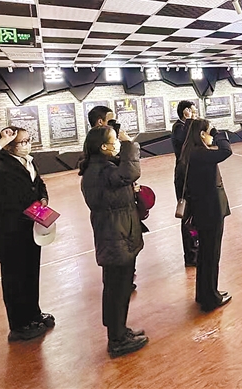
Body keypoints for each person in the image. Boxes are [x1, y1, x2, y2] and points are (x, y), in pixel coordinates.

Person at [0, 126, 55, 342]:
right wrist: (1, 141)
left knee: (31, 273)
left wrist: (43, 198)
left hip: (31, 226)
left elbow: (38, 183)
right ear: (9, 146)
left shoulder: (29, 161)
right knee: (15, 279)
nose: (27, 145)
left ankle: (33, 314)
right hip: (12, 230)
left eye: (29, 140)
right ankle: (19, 325)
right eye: (22, 142)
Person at [79, 126, 148, 358]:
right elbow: (130, 172)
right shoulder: (101, 171)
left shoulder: (102, 168)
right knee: (117, 288)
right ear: (103, 147)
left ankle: (119, 330)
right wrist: (129, 144)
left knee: (119, 286)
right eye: (114, 140)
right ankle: (117, 339)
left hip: (118, 232)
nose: (117, 143)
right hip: (115, 235)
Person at [176, 119, 232, 312]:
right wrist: (218, 133)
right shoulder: (199, 153)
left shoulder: (190, 153)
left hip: (202, 210)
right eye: (208, 132)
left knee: (205, 255)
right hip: (210, 211)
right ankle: (211, 298)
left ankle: (204, 293)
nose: (211, 137)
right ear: (201, 134)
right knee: (211, 255)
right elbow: (226, 151)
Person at [171, 100, 199, 266]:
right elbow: (184, 143)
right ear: (185, 112)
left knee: (195, 214)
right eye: (193, 112)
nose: (195, 115)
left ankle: (196, 248)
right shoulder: (179, 127)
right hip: (183, 176)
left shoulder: (187, 126)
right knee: (187, 215)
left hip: (192, 174)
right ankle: (190, 255)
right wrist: (190, 120)